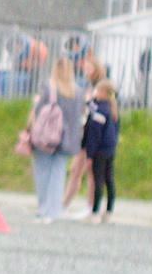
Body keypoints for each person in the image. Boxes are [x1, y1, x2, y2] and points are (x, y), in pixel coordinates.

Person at [26, 55, 80, 222]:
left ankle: (43, 209)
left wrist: (36, 102)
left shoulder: (49, 88)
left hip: (46, 136)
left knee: (42, 172)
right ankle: (53, 210)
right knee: (58, 175)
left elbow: (40, 110)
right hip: (67, 138)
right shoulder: (77, 91)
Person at [61, 52, 104, 214]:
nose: (86, 70)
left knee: (90, 170)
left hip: (94, 132)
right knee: (75, 168)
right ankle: (64, 203)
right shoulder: (88, 86)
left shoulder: (102, 86)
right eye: (85, 67)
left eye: (89, 67)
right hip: (83, 131)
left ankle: (91, 205)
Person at [81, 78, 121, 222]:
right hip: (110, 150)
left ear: (103, 92)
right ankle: (109, 211)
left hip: (99, 151)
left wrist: (90, 153)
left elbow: (94, 135)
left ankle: (95, 212)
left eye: (97, 90)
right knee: (109, 179)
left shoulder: (100, 111)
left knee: (98, 180)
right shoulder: (112, 109)